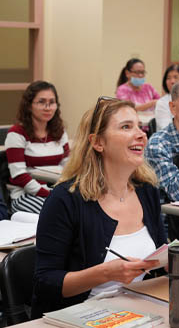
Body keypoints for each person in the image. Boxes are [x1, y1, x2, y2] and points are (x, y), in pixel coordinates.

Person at [32, 97, 166, 318]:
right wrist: (105, 273)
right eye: (126, 127)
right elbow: (45, 282)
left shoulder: (146, 191)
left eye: (139, 127)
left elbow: (160, 252)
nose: (141, 134)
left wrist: (176, 258)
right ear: (98, 143)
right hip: (81, 316)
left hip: (138, 311)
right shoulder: (66, 199)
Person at [5, 81, 69, 214]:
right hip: (26, 195)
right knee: (60, 213)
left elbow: (68, 166)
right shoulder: (17, 133)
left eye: (52, 102)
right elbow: (19, 175)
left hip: (56, 191)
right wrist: (48, 194)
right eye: (41, 102)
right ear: (29, 106)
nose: (48, 107)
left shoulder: (60, 132)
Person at [155, 64, 179, 130]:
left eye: (176, 77)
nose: (172, 81)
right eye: (168, 78)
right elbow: (166, 127)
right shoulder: (162, 103)